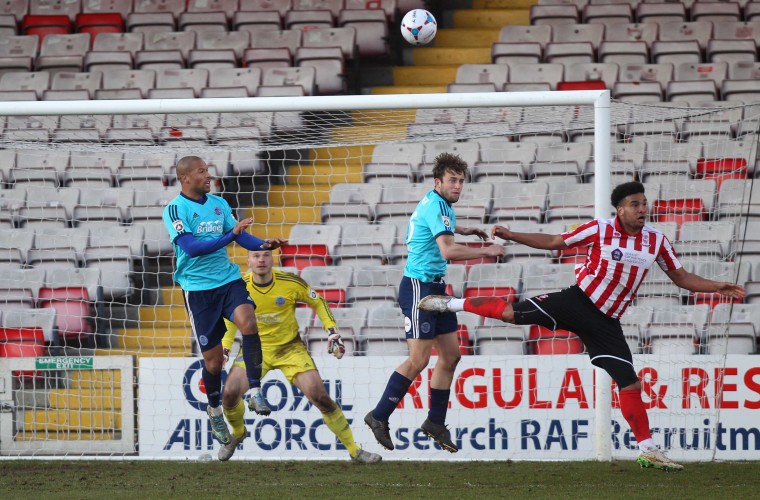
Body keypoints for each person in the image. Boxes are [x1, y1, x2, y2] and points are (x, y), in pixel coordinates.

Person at [418, 180, 745, 470]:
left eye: (644, 203)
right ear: (620, 209)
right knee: (510, 314)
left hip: (607, 321)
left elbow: (681, 277)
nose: (642, 209)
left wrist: (718, 287)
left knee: (630, 384)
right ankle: (452, 303)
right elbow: (555, 241)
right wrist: (512, 234)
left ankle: (648, 450)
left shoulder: (656, 241)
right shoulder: (600, 229)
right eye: (635, 204)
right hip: (576, 302)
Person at [364, 152, 506, 453]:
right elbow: (447, 252)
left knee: (452, 356)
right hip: (418, 288)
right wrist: (487, 249)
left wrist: (463, 230)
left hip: (436, 288)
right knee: (419, 360)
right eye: (452, 181)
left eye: (461, 181)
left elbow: (436, 230)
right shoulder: (437, 205)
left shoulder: (440, 205)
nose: (458, 186)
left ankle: (434, 423)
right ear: (437, 181)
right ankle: (378, 416)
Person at [162, 156, 285, 446]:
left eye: (208, 170)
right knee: (214, 362)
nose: (209, 175)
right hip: (198, 290)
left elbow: (242, 239)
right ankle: (215, 410)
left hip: (228, 280)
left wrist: (264, 245)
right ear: (186, 178)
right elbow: (191, 248)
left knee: (248, 322)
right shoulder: (175, 209)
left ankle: (255, 392)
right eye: (202, 171)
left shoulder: (219, 204)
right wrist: (230, 235)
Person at [217, 249, 382, 464]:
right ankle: (237, 434)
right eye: (256, 256)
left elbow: (319, 302)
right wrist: (225, 348)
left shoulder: (291, 282)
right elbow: (230, 320)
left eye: (266, 255)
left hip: (290, 349)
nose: (261, 260)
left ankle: (354, 451)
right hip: (255, 350)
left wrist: (332, 330)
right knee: (229, 394)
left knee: (320, 397)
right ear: (247, 260)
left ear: (272, 258)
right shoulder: (239, 286)